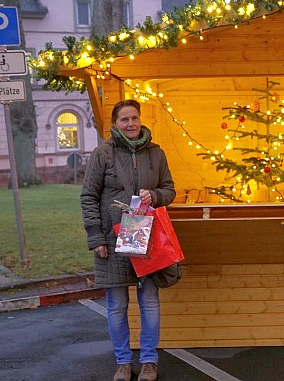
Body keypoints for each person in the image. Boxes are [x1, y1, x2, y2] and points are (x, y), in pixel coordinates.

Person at [81, 99, 175, 381]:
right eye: (125, 119)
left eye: (134, 118)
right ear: (115, 124)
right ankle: (123, 362)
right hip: (112, 240)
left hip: (146, 240)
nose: (131, 123)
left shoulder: (156, 153)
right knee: (117, 304)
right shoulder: (103, 154)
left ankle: (149, 361)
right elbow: (88, 197)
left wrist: (155, 196)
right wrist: (96, 237)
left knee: (149, 302)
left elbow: (169, 190)